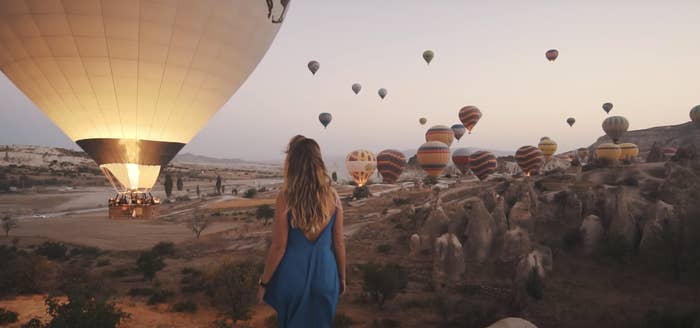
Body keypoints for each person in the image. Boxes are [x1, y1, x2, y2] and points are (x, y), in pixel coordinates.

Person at [258, 135, 346, 328]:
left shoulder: (285, 197)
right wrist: (342, 277)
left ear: (293, 162)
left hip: (292, 277)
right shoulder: (333, 196)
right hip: (325, 275)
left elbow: (279, 247)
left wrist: (264, 283)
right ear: (318, 161)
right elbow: (338, 243)